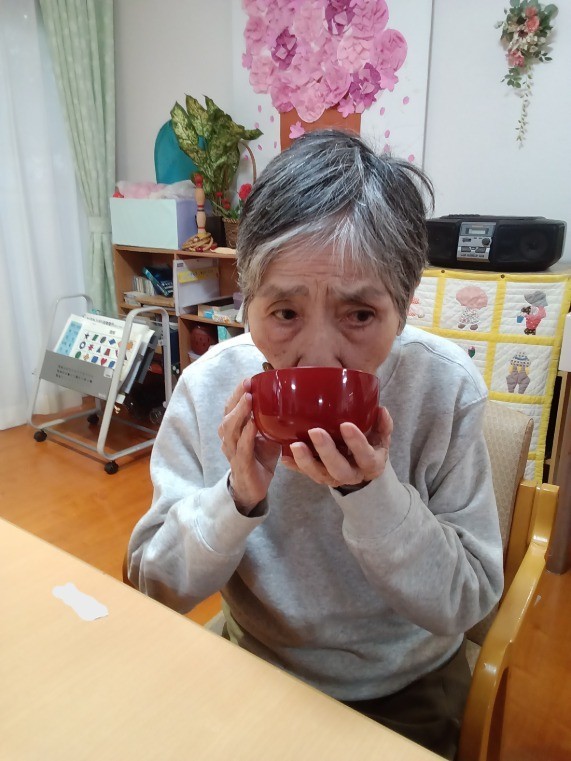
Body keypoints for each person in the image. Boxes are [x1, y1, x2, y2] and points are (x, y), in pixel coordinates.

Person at [127, 129, 503, 759]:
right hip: (253, 660)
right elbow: (151, 584)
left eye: (360, 315)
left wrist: (373, 495)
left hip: (404, 683)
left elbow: (465, 601)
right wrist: (235, 497)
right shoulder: (209, 387)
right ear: (247, 305)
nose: (319, 356)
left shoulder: (445, 388)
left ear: (404, 310)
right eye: (285, 313)